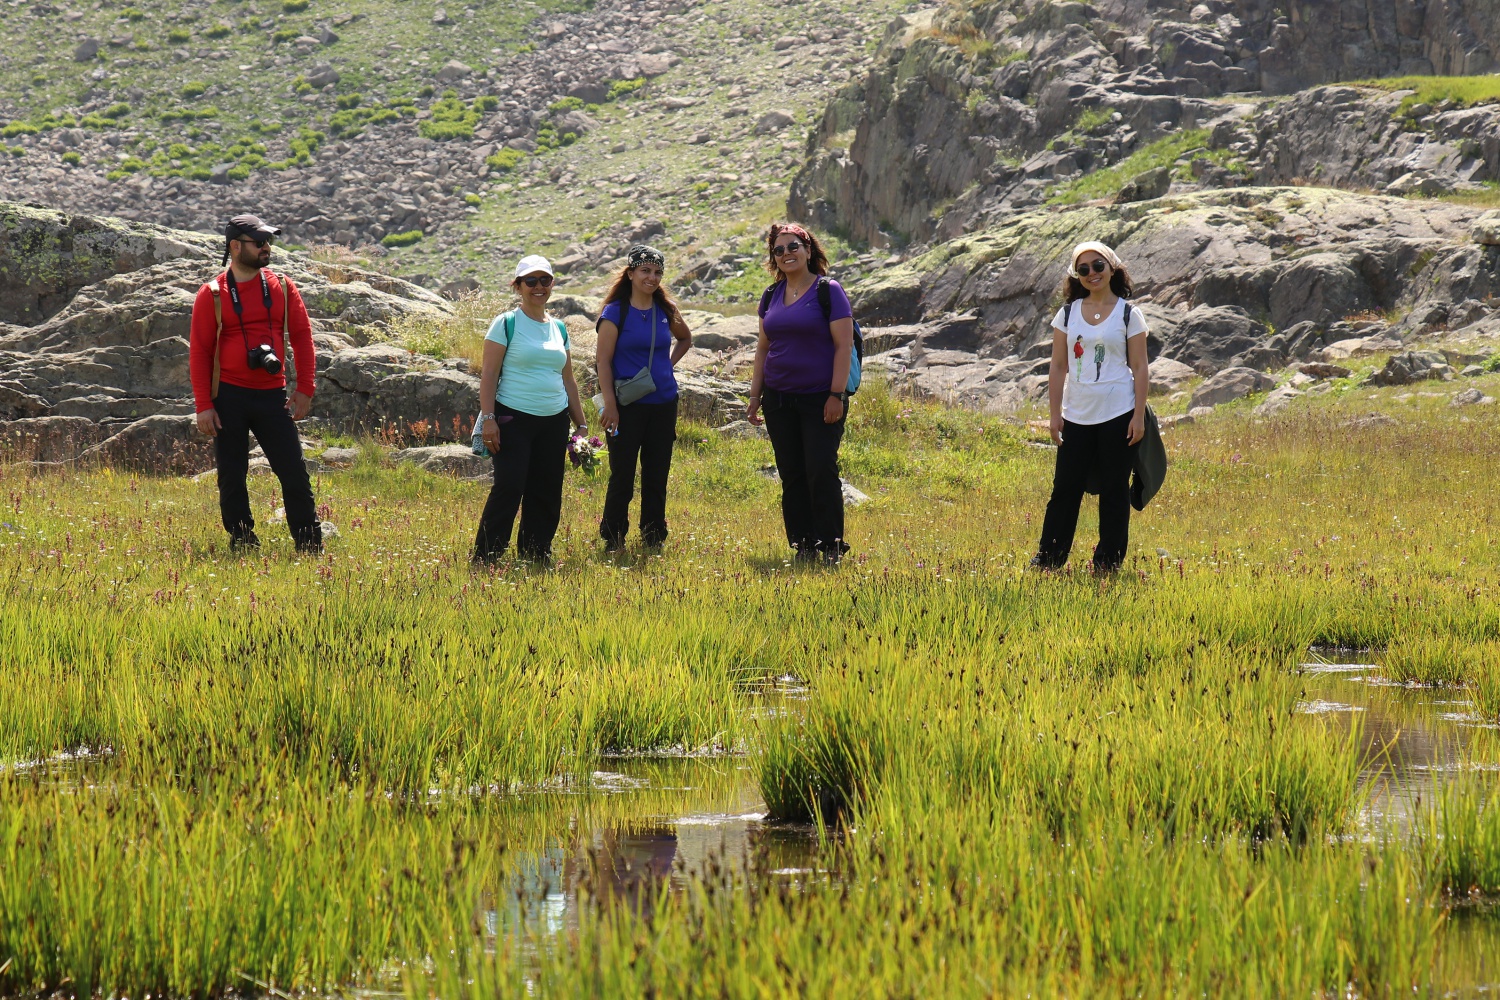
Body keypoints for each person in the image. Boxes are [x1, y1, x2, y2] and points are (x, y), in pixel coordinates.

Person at [191, 214, 321, 553]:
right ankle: (243, 542)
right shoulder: (213, 294)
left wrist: (305, 388)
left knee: (294, 473)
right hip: (228, 397)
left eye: (269, 242)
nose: (267, 248)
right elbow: (201, 353)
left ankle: (310, 546)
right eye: (259, 242)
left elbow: (303, 337)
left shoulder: (282, 285)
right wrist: (203, 406)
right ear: (235, 246)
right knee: (232, 477)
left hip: (272, 396)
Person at [1032, 241, 1150, 574]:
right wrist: (1054, 415)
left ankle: (1107, 563)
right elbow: (1058, 366)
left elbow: (1140, 367)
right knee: (1065, 489)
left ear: (1112, 267)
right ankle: (1049, 559)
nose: (1091, 274)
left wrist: (1138, 416)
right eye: (1083, 269)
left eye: (1098, 266)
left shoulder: (1129, 314)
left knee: (1115, 489)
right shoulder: (1067, 314)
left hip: (1119, 413)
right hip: (1076, 415)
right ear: (1077, 276)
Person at [745, 223, 855, 564]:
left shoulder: (828, 290)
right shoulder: (771, 295)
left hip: (820, 396)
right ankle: (803, 544)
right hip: (778, 399)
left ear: (808, 251)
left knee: (820, 468)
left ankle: (832, 545)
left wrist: (836, 394)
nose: (786, 254)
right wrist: (754, 397)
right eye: (778, 250)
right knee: (791, 472)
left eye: (793, 247)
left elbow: (843, 345)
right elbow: (763, 349)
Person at [473, 255, 589, 565]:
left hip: (554, 421)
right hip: (514, 418)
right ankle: (487, 557)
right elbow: (488, 374)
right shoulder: (506, 323)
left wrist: (581, 426)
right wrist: (489, 420)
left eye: (545, 280)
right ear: (518, 286)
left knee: (547, 490)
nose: (539, 287)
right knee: (509, 487)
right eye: (531, 281)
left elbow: (568, 379)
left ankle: (537, 554)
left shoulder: (559, 328)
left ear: (552, 284)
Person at [595, 244, 693, 551]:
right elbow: (602, 361)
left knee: (657, 475)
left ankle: (653, 537)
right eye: (645, 271)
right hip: (626, 407)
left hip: (663, 404)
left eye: (657, 272)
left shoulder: (666, 309)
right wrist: (609, 405)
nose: (651, 278)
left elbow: (686, 338)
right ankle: (613, 538)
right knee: (622, 475)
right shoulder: (615, 312)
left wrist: (664, 368)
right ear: (631, 273)